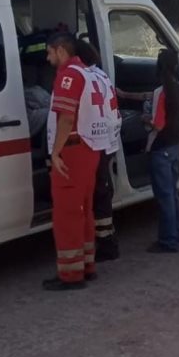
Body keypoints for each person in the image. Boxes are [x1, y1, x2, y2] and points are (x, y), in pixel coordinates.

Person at [44, 33, 119, 291]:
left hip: (73, 151)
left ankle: (70, 276)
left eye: (49, 52)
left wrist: (55, 152)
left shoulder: (69, 75)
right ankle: (87, 266)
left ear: (61, 50)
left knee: (66, 214)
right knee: (85, 210)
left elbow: (66, 118)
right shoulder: (92, 73)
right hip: (92, 149)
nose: (47, 57)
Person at [116, 49, 179, 253]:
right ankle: (177, 233)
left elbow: (157, 123)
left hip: (160, 148)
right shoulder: (178, 89)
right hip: (174, 146)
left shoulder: (160, 93)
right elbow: (151, 96)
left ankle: (168, 240)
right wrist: (126, 94)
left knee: (164, 197)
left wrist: (143, 118)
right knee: (173, 194)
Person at [75, 40, 121, 261]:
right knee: (103, 191)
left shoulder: (83, 78)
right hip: (109, 139)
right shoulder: (100, 75)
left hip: (97, 142)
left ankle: (107, 244)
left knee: (100, 195)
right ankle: (105, 238)